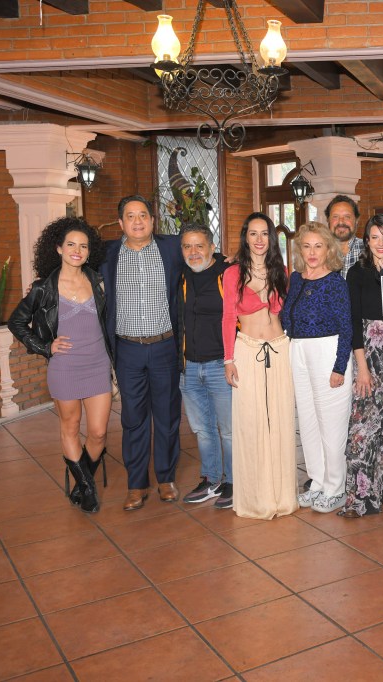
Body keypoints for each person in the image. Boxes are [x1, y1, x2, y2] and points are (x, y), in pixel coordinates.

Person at [9, 217, 111, 514]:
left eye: (83, 246)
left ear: (90, 252)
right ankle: (87, 488)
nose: (77, 251)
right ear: (58, 248)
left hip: (97, 363)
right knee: (71, 426)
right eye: (71, 245)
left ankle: (81, 482)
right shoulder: (43, 288)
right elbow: (16, 322)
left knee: (98, 432)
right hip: (64, 366)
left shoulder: (98, 281)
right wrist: (45, 347)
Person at [100, 195, 182, 511]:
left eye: (143, 215)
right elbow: (71, 265)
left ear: (152, 220)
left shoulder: (171, 248)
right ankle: (136, 484)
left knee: (167, 416)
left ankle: (166, 478)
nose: (138, 221)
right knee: (133, 419)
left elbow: (203, 253)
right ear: (121, 223)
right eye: (131, 216)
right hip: (127, 349)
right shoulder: (106, 254)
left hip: (164, 346)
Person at [222, 212, 296, 520]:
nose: (259, 239)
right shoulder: (232, 273)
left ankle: (282, 496)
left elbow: (288, 313)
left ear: (271, 238)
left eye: (264, 233)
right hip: (247, 351)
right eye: (253, 233)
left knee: (280, 421)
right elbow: (228, 318)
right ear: (245, 237)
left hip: (279, 350)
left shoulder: (282, 271)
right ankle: (256, 498)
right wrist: (228, 359)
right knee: (251, 424)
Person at [282, 222, 354, 514]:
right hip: (298, 350)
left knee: (331, 425)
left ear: (328, 250)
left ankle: (336, 488)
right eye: (306, 246)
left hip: (328, 351)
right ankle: (318, 482)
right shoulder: (296, 279)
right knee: (308, 423)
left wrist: (339, 367)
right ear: (299, 250)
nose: (312, 252)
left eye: (318, 246)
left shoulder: (336, 282)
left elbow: (347, 328)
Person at [341, 215, 383, 517]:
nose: (380, 243)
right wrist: (362, 368)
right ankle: (361, 496)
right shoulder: (357, 272)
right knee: (364, 427)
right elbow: (353, 322)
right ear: (366, 241)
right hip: (368, 355)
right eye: (374, 237)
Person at [178, 223, 234, 509]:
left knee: (228, 429)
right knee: (202, 429)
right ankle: (211, 479)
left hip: (220, 366)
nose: (193, 251)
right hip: (189, 367)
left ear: (212, 247)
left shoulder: (228, 273)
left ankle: (233, 482)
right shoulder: (180, 275)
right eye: (187, 246)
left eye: (199, 245)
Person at [325, 194, 365, 278]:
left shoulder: (370, 250)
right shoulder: (319, 251)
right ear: (328, 220)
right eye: (335, 217)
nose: (341, 222)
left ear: (356, 220)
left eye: (347, 217)